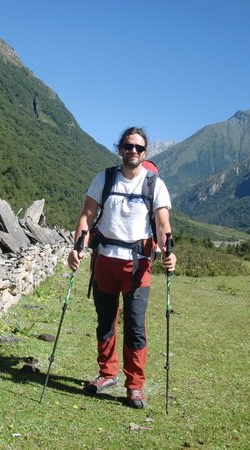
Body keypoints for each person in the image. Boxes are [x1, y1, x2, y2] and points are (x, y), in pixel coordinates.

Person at [68, 126, 177, 409]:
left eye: (139, 148)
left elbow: (163, 225)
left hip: (138, 264)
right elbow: (87, 215)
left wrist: (168, 252)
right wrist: (77, 247)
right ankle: (107, 374)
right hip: (104, 259)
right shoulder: (104, 178)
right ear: (120, 148)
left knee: (135, 326)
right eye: (128, 146)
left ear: (146, 153)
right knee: (105, 321)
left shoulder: (155, 185)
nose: (133, 152)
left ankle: (135, 386)